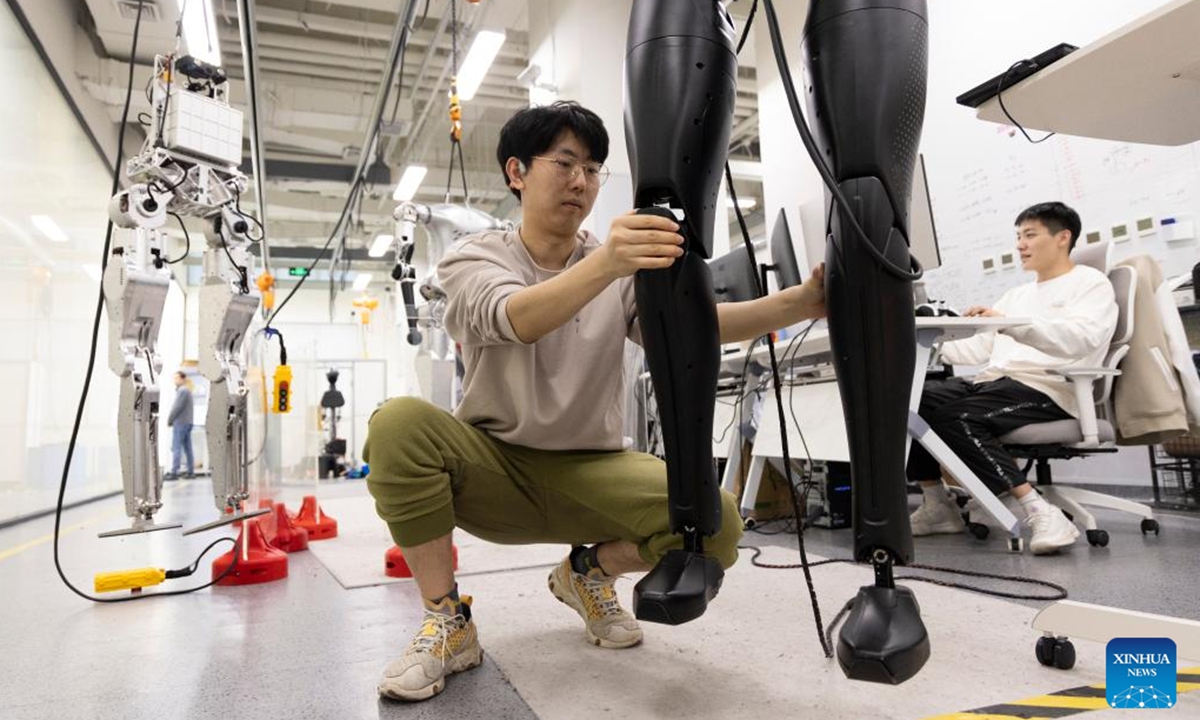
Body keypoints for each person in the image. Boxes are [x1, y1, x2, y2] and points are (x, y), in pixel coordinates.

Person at [362, 101, 827, 702]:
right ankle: (449, 622)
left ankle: (587, 574)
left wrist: (798, 303)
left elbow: (692, 330)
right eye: (564, 163)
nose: (580, 181)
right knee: (398, 423)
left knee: (716, 524)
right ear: (516, 172)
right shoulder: (475, 258)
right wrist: (608, 263)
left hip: (591, 471)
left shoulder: (618, 272)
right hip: (493, 468)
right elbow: (516, 318)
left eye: (591, 169)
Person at [907, 201, 1118, 555]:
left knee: (957, 417)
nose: (1020, 244)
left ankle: (1040, 511)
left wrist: (1010, 324)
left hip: (1048, 388)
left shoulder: (1090, 284)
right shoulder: (1017, 295)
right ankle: (938, 506)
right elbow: (977, 350)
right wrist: (931, 341)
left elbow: (1081, 340)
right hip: (995, 382)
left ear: (1063, 237)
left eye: (1030, 235)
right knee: (909, 399)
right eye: (1018, 236)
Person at [166, 371, 195, 479]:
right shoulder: (187, 390)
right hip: (187, 422)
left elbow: (177, 407)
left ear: (183, 379)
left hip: (181, 422)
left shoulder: (182, 390)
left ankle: (175, 472)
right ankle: (190, 471)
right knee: (188, 448)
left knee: (176, 447)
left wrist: (169, 420)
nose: (175, 380)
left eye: (177, 378)